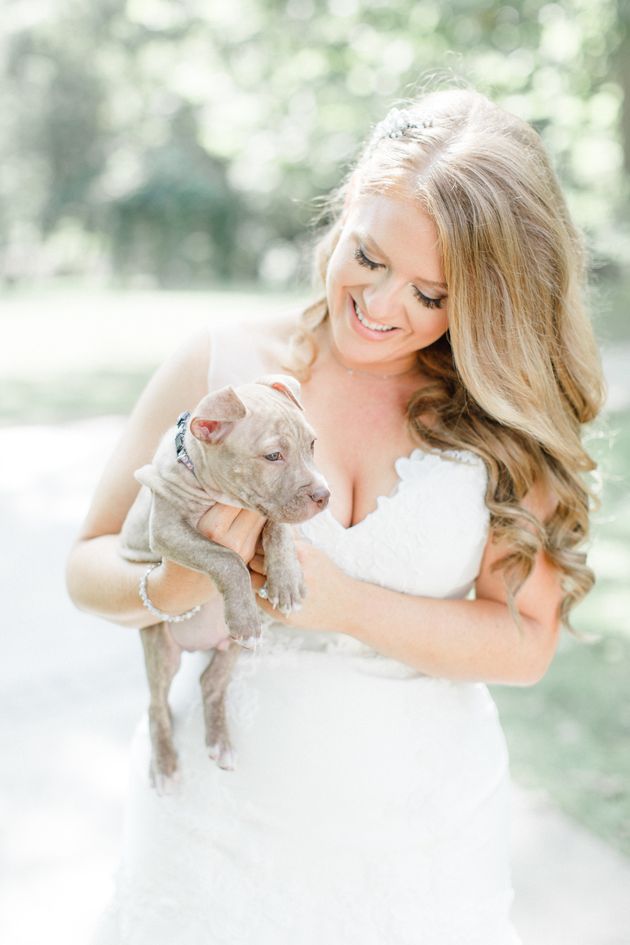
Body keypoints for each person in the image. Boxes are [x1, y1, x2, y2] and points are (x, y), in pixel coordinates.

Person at [66, 88, 605, 945]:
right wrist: (173, 579)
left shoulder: (498, 415)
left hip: (425, 856)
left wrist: (340, 600)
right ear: (350, 203)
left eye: (432, 295)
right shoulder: (223, 366)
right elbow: (88, 563)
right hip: (211, 842)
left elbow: (524, 640)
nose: (384, 306)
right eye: (369, 256)